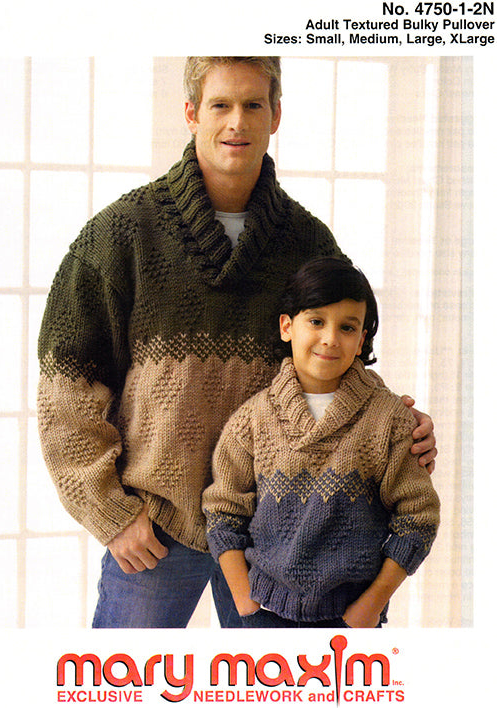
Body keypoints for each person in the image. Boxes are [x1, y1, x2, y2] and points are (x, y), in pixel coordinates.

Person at [36, 56, 437, 629]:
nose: (237, 122)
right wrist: (110, 511)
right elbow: (66, 391)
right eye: (220, 104)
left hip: (279, 536)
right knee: (126, 675)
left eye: (253, 105)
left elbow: (337, 356)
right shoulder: (122, 235)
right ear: (191, 112)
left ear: (276, 115)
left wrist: (397, 426)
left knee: (287, 678)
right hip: (154, 525)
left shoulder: (307, 242)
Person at [203, 257, 440, 628]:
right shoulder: (252, 419)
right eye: (316, 321)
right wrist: (243, 598)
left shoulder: (389, 419)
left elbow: (418, 517)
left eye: (347, 327)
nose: (330, 338)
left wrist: (372, 604)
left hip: (352, 617)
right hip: (263, 612)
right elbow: (223, 511)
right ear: (287, 326)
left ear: (361, 340)